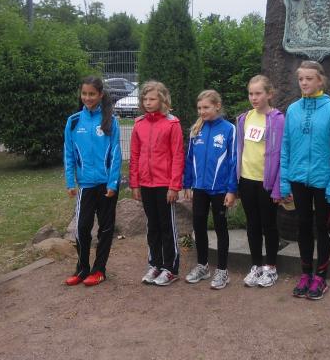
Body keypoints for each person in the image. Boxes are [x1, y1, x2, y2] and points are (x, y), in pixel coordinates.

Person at [280, 60, 330, 300]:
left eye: (309, 78)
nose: (304, 83)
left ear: (320, 80)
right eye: (301, 79)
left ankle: (321, 276)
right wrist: (284, 181)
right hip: (298, 178)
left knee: (323, 227)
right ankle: (306, 273)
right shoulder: (293, 110)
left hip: (323, 181)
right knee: (303, 226)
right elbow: (286, 147)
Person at [63, 76, 122, 287]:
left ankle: (99, 270)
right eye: (84, 94)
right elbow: (69, 153)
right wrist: (70, 181)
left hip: (106, 185)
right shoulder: (73, 121)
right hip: (85, 185)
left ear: (100, 95)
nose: (87, 98)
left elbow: (116, 153)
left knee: (105, 229)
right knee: (81, 228)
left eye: (92, 94)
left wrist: (113, 183)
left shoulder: (110, 121)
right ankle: (82, 269)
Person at [130, 80, 185, 286]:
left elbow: (178, 156)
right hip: (145, 184)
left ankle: (170, 268)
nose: (148, 102)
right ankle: (155, 264)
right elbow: (135, 155)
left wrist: (174, 186)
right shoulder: (139, 124)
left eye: (152, 99)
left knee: (166, 226)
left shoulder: (172, 124)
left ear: (162, 100)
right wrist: (135, 183)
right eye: (145, 99)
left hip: (165, 185)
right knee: (152, 226)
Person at [182, 90, 238, 289]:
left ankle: (222, 271)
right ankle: (202, 266)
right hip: (199, 188)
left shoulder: (229, 129)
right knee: (198, 226)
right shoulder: (196, 129)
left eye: (206, 107)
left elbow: (233, 162)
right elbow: (189, 159)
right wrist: (187, 184)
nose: (202, 111)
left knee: (221, 228)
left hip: (220, 189)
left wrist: (232, 190)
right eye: (199, 108)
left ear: (217, 106)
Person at [236, 75, 285, 288]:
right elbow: (239, 149)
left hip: (267, 182)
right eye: (251, 93)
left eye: (258, 93)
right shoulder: (243, 118)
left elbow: (283, 154)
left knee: (269, 225)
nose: (254, 98)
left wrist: (278, 187)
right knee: (252, 225)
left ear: (269, 94)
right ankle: (256, 265)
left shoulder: (278, 119)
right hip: (246, 180)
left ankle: (270, 267)